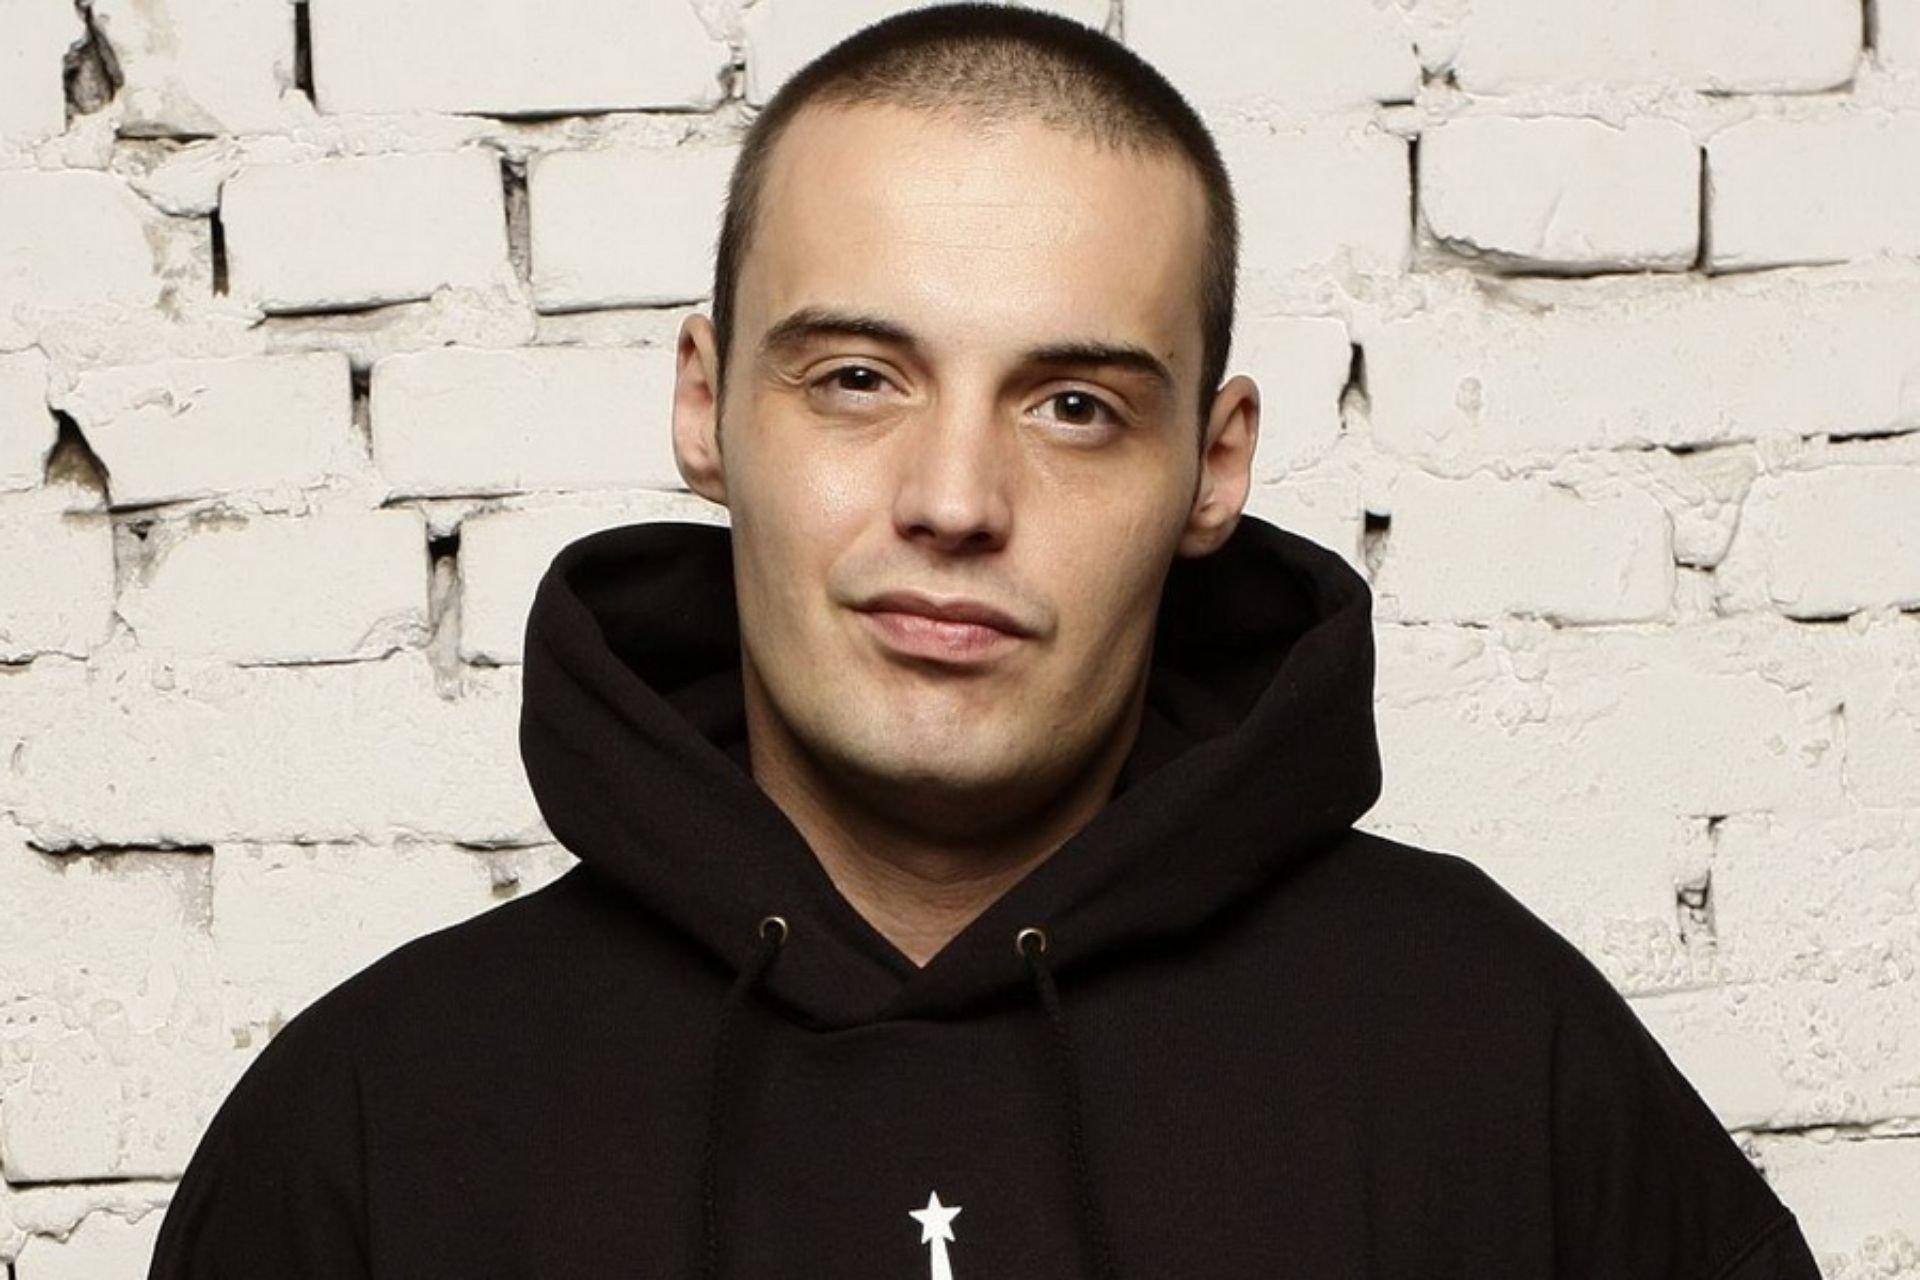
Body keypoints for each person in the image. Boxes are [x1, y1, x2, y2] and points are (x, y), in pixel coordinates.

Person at [147, 5, 1824, 1278]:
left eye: (1075, 405)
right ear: (706, 409)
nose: (954, 499)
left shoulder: (1493, 1059)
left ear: (1213, 465)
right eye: (857, 379)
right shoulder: (376, 1127)